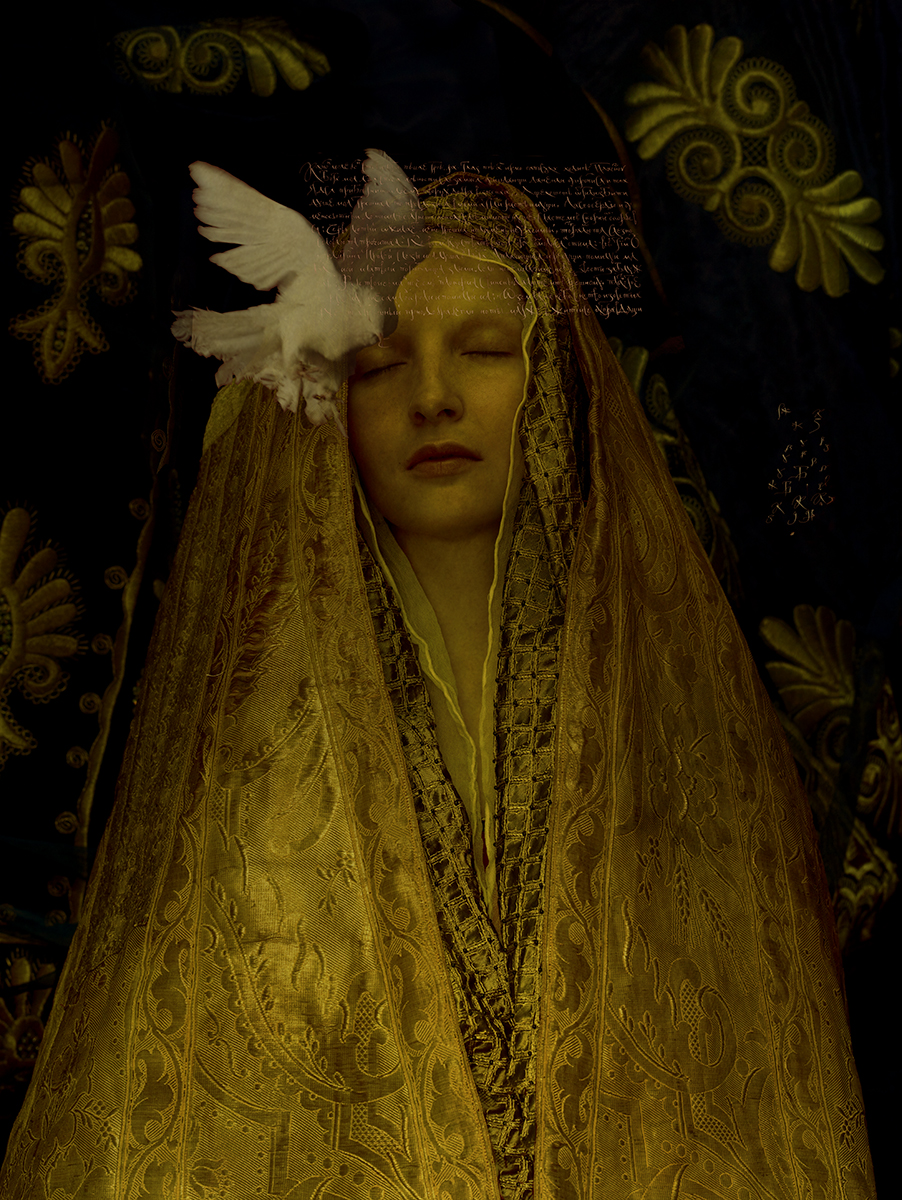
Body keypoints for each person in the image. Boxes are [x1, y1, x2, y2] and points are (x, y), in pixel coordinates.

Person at [0, 173, 874, 1199]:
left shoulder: (671, 729)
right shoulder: (248, 760)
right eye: (378, 364)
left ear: (552, 387)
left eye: (486, 351)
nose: (434, 397)